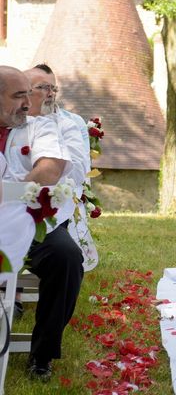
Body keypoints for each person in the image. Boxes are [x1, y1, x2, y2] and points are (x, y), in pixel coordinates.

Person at [0, 66, 84, 381]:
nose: (27, 102)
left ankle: (42, 354)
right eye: (18, 95)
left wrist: (10, 195)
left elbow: (51, 168)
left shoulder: (40, 127)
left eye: (28, 94)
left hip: (33, 222)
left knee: (66, 258)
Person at [24, 63, 98, 271]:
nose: (51, 94)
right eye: (43, 87)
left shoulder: (68, 124)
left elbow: (76, 171)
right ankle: (13, 295)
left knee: (66, 257)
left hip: (49, 212)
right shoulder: (10, 122)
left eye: (53, 88)